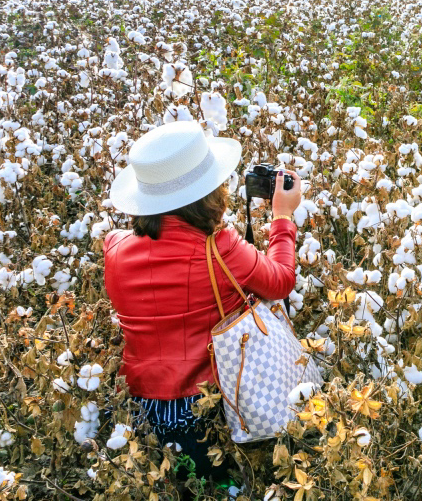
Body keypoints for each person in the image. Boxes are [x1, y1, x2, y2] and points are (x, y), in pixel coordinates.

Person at [103, 120, 301, 489]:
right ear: (210, 191)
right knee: (225, 485)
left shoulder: (113, 248)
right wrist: (282, 217)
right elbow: (280, 281)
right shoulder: (218, 246)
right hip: (207, 403)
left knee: (175, 485)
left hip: (142, 407)